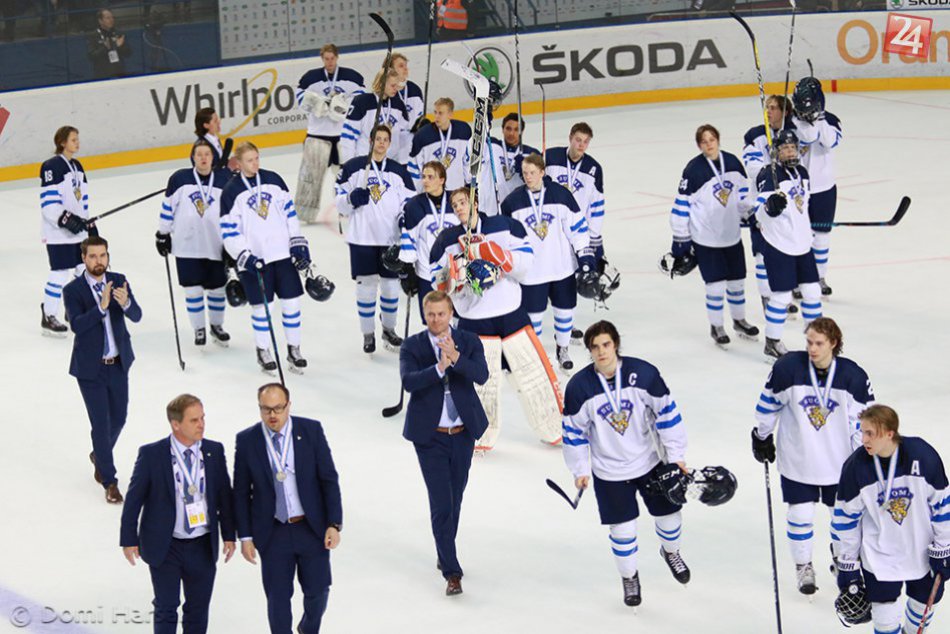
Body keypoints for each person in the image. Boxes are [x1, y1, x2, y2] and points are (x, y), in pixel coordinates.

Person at [561, 320, 691, 607]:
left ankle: (671, 552)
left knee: (670, 519)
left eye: (606, 344)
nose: (601, 351)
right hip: (609, 471)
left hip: (650, 462)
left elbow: (667, 413)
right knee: (622, 532)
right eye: (595, 347)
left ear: (616, 344)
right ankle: (630, 577)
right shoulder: (579, 387)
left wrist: (676, 455)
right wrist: (580, 469)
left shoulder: (643, 374)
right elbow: (573, 433)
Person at [429, 187, 562, 452]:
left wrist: (501, 256)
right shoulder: (446, 240)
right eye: (455, 204)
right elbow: (436, 279)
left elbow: (527, 262)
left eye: (463, 202)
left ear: (475, 203)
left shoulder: (504, 226)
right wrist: (454, 276)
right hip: (474, 321)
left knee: (533, 372)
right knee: (482, 383)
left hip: (511, 314)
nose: (459, 207)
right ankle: (479, 435)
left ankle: (556, 428)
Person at [751, 317, 874, 595]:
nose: (812, 349)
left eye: (819, 343)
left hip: (839, 464)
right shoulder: (788, 369)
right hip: (798, 459)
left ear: (833, 343)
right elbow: (769, 404)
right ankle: (803, 565)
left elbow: (865, 422)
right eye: (809, 342)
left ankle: (843, 562)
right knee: (800, 514)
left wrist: (863, 457)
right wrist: (762, 434)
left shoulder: (853, 377)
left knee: (843, 518)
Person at [120, 394, 236, 634]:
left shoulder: (214, 451)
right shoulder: (152, 454)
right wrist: (129, 538)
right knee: (166, 606)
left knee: (198, 609)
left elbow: (224, 495)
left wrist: (229, 535)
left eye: (202, 418)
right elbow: (134, 499)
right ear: (176, 424)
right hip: (166, 545)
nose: (201, 424)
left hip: (202, 546)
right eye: (194, 420)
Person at [233, 383, 343, 634]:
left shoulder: (311, 430)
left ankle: (308, 628)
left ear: (289, 406)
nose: (272, 415)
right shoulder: (248, 440)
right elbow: (240, 492)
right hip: (272, 531)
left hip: (310, 528)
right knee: (277, 597)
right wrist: (246, 536)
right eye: (266, 409)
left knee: (318, 590)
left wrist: (334, 524)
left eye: (278, 408)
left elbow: (328, 479)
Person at [399, 291, 489, 596]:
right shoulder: (412, 346)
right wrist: (439, 367)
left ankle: (444, 547)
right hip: (430, 436)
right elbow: (409, 381)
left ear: (451, 313)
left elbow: (482, 375)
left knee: (455, 497)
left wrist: (457, 358)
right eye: (431, 314)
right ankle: (452, 571)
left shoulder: (468, 341)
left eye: (441, 313)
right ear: (425, 315)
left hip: (462, 433)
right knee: (441, 503)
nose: (436, 319)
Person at [834, 404, 949, 634]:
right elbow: (845, 520)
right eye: (863, 432)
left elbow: (943, 504)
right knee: (885, 624)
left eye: (870, 433)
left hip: (921, 553)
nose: (863, 439)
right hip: (879, 557)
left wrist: (944, 547)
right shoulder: (855, 467)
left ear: (889, 433)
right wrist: (848, 565)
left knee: (921, 614)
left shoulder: (923, 456)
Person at [62, 236, 142, 504]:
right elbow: (77, 325)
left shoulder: (119, 280)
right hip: (90, 369)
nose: (99, 261)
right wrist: (101, 307)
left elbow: (137, 315)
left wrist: (126, 303)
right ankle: (109, 481)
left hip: (118, 364)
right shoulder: (73, 290)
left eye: (103, 255)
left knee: (119, 418)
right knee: (100, 423)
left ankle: (99, 454)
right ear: (84, 258)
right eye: (93, 256)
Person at [220, 141, 310, 373]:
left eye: (257, 158)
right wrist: (244, 255)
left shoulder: (274, 180)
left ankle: (294, 349)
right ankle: (263, 351)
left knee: (291, 304)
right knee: (262, 308)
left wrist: (297, 242)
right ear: (238, 163)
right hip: (254, 260)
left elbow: (290, 214)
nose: (255, 163)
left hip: (282, 255)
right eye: (249, 160)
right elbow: (228, 231)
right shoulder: (231, 191)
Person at [501, 153, 594, 370]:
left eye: (533, 173)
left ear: (542, 172)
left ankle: (562, 348)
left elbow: (577, 227)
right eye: (525, 173)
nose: (528, 177)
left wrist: (585, 255)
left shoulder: (561, 195)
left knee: (565, 311)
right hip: (531, 273)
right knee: (533, 317)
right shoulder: (512, 202)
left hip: (562, 268)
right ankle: (537, 354)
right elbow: (507, 238)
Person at [669, 124, 759, 347]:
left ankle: (739, 321)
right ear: (699, 145)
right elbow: (682, 205)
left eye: (711, 139)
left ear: (718, 140)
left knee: (737, 282)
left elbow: (743, 195)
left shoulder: (733, 162)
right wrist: (680, 238)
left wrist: (750, 214)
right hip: (706, 239)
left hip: (731, 236)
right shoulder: (693, 170)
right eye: (704, 141)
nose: (708, 144)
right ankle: (716, 326)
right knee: (715, 286)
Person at [335, 125, 414, 353]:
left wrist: (404, 218)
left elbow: (409, 201)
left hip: (391, 238)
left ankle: (389, 329)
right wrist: (350, 199)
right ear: (370, 141)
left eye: (385, 139)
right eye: (377, 139)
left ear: (389, 143)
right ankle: (367, 333)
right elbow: (339, 202)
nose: (381, 143)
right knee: (366, 288)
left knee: (390, 288)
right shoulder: (353, 168)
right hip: (362, 238)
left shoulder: (399, 171)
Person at [752, 129, 822, 360]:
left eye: (793, 147)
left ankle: (816, 339)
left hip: (802, 244)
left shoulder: (802, 172)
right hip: (779, 244)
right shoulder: (769, 174)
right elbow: (759, 213)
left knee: (812, 292)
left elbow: (802, 207)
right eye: (785, 148)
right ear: (776, 152)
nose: (790, 152)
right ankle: (772, 342)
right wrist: (770, 207)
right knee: (782, 297)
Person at [156, 139, 233, 347]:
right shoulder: (180, 179)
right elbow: (168, 207)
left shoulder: (224, 179)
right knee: (193, 290)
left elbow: (233, 212)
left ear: (213, 157)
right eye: (199, 154)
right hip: (186, 246)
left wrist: (233, 242)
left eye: (207, 154)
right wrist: (163, 234)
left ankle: (216, 326)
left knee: (217, 289)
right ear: (193, 158)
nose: (203, 158)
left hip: (216, 245)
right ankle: (199, 328)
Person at [545, 123, 606, 342]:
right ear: (570, 137)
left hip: (576, 233)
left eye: (586, 142)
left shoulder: (594, 168)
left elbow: (597, 205)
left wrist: (594, 238)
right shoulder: (550, 157)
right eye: (578, 140)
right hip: (548, 230)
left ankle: (566, 326)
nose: (581, 145)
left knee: (569, 280)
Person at [294, 44, 365, 224]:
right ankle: (306, 213)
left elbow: (361, 96)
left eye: (332, 58)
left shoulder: (351, 77)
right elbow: (300, 98)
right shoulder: (310, 78)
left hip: (343, 136)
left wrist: (343, 103)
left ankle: (347, 207)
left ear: (337, 57)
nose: (330, 62)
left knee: (345, 175)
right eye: (326, 59)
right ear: (322, 59)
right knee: (311, 176)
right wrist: (319, 104)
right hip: (317, 135)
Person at [741, 95, 798, 316]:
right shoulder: (755, 135)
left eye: (773, 108)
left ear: (784, 112)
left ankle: (785, 294)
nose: (769, 111)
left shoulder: (792, 134)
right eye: (767, 107)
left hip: (788, 203)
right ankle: (766, 297)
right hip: (762, 203)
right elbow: (752, 167)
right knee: (762, 255)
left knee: (786, 251)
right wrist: (771, 164)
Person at [40, 125, 95, 338]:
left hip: (78, 232)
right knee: (60, 273)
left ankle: (72, 310)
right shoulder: (51, 166)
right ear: (62, 142)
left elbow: (82, 200)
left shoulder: (77, 166)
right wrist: (65, 219)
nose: (77, 143)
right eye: (73, 139)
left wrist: (87, 223)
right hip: (58, 233)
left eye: (77, 139)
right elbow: (49, 205)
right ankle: (48, 315)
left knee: (82, 270)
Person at [792, 76, 842, 296]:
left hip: (824, 188)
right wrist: (808, 119)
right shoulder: (790, 121)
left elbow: (830, 141)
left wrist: (819, 118)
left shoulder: (831, 120)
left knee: (821, 236)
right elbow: (807, 137)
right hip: (797, 190)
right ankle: (797, 280)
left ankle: (819, 277)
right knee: (798, 236)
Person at [399, 161, 459, 319]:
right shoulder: (414, 205)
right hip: (427, 273)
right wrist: (407, 270)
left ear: (442, 180)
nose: (425, 181)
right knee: (432, 319)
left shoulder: (455, 201)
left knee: (457, 317)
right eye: (423, 177)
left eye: (430, 177)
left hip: (455, 272)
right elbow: (408, 237)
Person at [339, 67, 410, 165]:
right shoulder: (362, 102)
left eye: (397, 85)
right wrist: (348, 164)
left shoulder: (399, 105)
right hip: (365, 164)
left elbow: (404, 136)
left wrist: (403, 162)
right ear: (381, 84)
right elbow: (348, 136)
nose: (396, 89)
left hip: (389, 165)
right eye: (393, 85)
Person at [407, 97, 471, 192]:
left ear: (450, 114)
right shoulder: (422, 136)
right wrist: (418, 192)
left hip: (456, 192)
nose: (436, 116)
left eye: (440, 113)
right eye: (435, 112)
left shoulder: (463, 132)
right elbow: (415, 167)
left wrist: (470, 184)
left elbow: (467, 161)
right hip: (431, 192)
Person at [492, 113, 540, 203]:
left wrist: (526, 173)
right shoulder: (492, 146)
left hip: (519, 205)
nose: (511, 133)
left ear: (522, 132)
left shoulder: (531, 154)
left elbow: (539, 184)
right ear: (502, 129)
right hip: (494, 204)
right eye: (508, 129)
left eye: (516, 129)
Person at [87, 9, 131, 78]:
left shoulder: (118, 33)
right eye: (108, 18)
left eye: (112, 17)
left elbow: (128, 53)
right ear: (100, 21)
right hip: (102, 74)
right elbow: (91, 56)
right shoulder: (94, 35)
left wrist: (120, 46)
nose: (111, 20)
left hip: (119, 72)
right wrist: (105, 48)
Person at [392, 52, 424, 128]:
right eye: (401, 66)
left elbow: (419, 117)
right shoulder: (385, 91)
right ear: (391, 70)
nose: (406, 68)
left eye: (406, 65)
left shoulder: (415, 90)